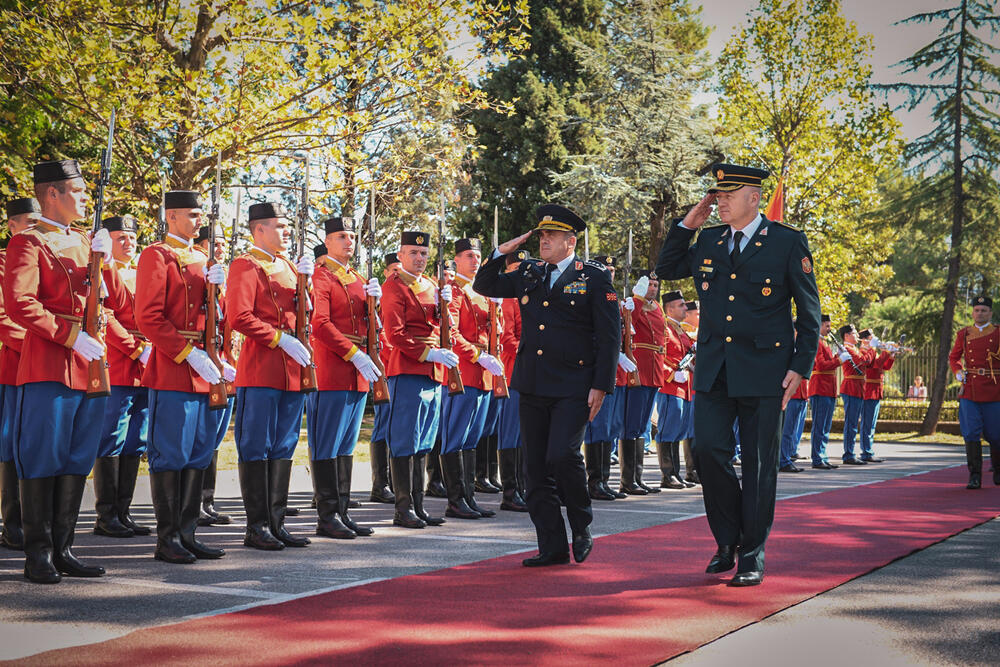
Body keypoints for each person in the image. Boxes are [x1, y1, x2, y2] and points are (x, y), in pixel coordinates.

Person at [655, 163, 821, 586]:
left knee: (761, 465)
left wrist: (800, 366)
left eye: (729, 194)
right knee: (708, 452)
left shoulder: (786, 242)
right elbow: (668, 266)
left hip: (767, 372)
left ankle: (751, 552)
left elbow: (809, 312)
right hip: (715, 369)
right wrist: (687, 223)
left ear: (755, 197)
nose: (720, 201)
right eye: (718, 195)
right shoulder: (709, 239)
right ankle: (726, 539)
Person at [474, 204, 620, 567]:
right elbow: (485, 283)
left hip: (574, 384)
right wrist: (501, 252)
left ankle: (581, 523)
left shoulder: (595, 277)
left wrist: (601, 384)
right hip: (533, 382)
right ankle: (552, 545)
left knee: (562, 455)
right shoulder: (529, 272)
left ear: (571, 241)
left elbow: (609, 335)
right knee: (535, 469)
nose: (544, 241)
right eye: (540, 235)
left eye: (551, 236)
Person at [5, 160, 125, 583]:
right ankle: (37, 554)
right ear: (51, 194)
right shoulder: (28, 242)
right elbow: (21, 303)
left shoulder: (85, 242)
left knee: (76, 458)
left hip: (90, 365)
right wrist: (69, 336)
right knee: (43, 457)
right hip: (50, 364)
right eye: (77, 191)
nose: (85, 198)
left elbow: (120, 304)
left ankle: (64, 548)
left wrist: (106, 263)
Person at [135, 190, 234, 565]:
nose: (198, 221)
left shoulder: (204, 260)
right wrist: (187, 352)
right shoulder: (157, 255)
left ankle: (188, 533)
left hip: (206, 368)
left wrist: (217, 291)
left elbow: (215, 320)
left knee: (198, 453)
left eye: (200, 215)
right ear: (171, 216)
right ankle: (168, 538)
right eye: (191, 214)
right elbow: (149, 317)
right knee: (171, 453)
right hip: (175, 368)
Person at [226, 202, 314, 551]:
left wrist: (307, 285)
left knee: (283, 445)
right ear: (258, 229)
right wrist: (279, 339)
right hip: (262, 366)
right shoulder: (245, 265)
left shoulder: (289, 266)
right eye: (279, 226)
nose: (286, 232)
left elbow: (307, 314)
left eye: (287, 226)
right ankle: (256, 526)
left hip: (292, 370)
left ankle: (276, 523)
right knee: (256, 445)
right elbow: (239, 316)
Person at [306, 215, 382, 539]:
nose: (349, 240)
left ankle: (343, 511)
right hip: (335, 369)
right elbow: (320, 324)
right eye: (341, 236)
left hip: (358, 372)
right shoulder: (321, 277)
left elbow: (370, 327)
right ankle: (326, 516)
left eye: (351, 235)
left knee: (347, 445)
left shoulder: (359, 279)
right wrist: (353, 354)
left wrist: (375, 306)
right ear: (327, 242)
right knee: (327, 443)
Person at [381, 230, 458, 528]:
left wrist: (446, 310)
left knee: (424, 440)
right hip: (409, 368)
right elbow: (395, 334)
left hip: (432, 372)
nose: (420, 258)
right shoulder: (394, 286)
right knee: (405, 439)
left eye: (424, 254)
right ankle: (403, 509)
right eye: (413, 253)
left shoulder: (431, 285)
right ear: (400, 255)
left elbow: (442, 328)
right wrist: (429, 354)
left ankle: (418, 505)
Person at [94, 215, 153, 538]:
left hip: (146, 365)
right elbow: (107, 315)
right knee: (112, 437)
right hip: (119, 362)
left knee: (136, 439)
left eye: (132, 238)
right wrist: (134, 348)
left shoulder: (140, 273)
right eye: (121, 238)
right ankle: (106, 515)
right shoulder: (103, 271)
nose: (128, 243)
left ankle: (124, 511)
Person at [441, 238, 504, 519]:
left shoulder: (482, 293)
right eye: (468, 255)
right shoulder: (453, 291)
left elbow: (494, 332)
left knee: (471, 439)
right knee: (456, 436)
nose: (474, 260)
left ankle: (468, 497)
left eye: (477, 255)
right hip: (465, 372)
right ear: (456, 260)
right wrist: (477, 356)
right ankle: (455, 500)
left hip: (484, 375)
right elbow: (451, 334)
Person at [0, 197, 39, 551]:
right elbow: (3, 318)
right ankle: (13, 525)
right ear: (11, 224)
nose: (34, 226)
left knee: (36, 445)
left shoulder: (46, 253)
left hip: (46, 366)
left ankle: (37, 523)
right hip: (16, 367)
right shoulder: (3, 261)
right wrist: (40, 343)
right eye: (28, 221)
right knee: (13, 445)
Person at [193, 224, 234, 527]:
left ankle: (207, 499)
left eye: (223, 243)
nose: (219, 248)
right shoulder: (200, 273)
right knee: (202, 436)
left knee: (215, 438)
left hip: (227, 367)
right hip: (203, 365)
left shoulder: (225, 277)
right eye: (214, 243)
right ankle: (193, 503)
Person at [582, 255, 630, 500]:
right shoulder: (589, 295)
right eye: (606, 269)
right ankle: (594, 481)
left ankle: (603, 479)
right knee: (597, 427)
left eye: (612, 270)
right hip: (595, 370)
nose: (610, 273)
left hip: (612, 372)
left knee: (609, 428)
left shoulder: (613, 298)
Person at [948, 295, 1000, 489]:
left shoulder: (998, 333)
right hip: (970, 389)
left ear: (990, 313)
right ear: (972, 312)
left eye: (984, 310)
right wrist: (958, 371)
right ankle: (975, 475)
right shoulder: (963, 334)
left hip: (995, 388)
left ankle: (998, 468)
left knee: (995, 434)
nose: (980, 313)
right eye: (977, 310)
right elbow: (954, 357)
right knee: (970, 432)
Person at [622, 271, 665, 494]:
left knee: (642, 426)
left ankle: (637, 478)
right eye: (649, 284)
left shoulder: (657, 308)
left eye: (656, 284)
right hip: (638, 369)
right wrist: (637, 299)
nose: (653, 288)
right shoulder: (632, 303)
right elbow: (631, 323)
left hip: (654, 369)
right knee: (632, 425)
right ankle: (627, 480)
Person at [496, 250, 529, 511]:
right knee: (510, 433)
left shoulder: (528, 298)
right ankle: (510, 491)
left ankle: (523, 486)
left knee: (524, 434)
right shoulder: (509, 300)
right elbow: (506, 339)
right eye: (516, 268)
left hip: (530, 372)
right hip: (512, 371)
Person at [653, 289, 694, 489]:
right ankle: (667, 474)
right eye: (681, 305)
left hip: (683, 386)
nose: (685, 308)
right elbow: (657, 355)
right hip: (670, 386)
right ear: (669, 308)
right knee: (667, 431)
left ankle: (676, 473)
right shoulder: (665, 329)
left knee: (678, 430)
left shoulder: (680, 330)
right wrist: (670, 373)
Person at [369, 251, 399, 503]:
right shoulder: (379, 300)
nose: (397, 275)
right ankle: (380, 483)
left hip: (396, 369)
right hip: (384, 369)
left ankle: (388, 482)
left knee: (394, 427)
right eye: (394, 270)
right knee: (382, 426)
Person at [838, 324, 875, 465]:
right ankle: (848, 454)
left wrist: (867, 349)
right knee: (851, 423)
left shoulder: (854, 348)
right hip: (851, 387)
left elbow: (868, 363)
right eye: (854, 333)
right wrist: (871, 348)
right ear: (847, 336)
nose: (857, 336)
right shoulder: (846, 348)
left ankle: (850, 452)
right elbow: (862, 361)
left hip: (858, 387)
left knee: (854, 423)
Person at [807, 314, 841, 469]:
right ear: (819, 325)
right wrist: (839, 360)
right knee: (819, 426)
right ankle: (817, 457)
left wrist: (837, 356)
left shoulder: (825, 343)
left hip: (829, 388)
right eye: (826, 326)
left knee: (826, 426)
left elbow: (828, 362)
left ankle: (823, 455)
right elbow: (821, 365)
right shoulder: (817, 342)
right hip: (820, 387)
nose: (829, 329)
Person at [859, 329, 895, 463]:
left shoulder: (872, 352)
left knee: (872, 424)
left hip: (876, 390)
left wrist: (891, 354)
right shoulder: (864, 352)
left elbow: (885, 367)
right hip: (868, 390)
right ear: (864, 340)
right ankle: (866, 452)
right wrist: (886, 352)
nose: (875, 339)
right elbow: (876, 365)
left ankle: (869, 450)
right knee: (867, 424)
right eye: (871, 337)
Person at [778, 328, 809, 473]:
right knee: (786, 430)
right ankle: (783, 460)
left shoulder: (801, 347)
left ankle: (787, 457)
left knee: (791, 430)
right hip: (792, 393)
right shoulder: (789, 346)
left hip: (801, 392)